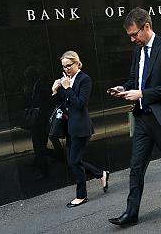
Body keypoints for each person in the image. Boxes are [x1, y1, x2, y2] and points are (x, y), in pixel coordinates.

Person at [107, 7, 161, 226]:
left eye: (134, 34)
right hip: (142, 118)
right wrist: (123, 88)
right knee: (136, 166)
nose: (132, 39)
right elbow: (134, 80)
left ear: (146, 26)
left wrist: (142, 93)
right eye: (129, 35)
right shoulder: (137, 51)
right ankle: (131, 213)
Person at [52, 50, 110, 207]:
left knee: (74, 161)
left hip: (81, 127)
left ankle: (82, 196)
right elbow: (65, 103)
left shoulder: (85, 79)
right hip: (70, 127)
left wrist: (67, 88)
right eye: (64, 67)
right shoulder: (67, 79)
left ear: (77, 63)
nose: (66, 69)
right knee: (73, 161)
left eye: (69, 65)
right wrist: (56, 90)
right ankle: (100, 174)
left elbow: (80, 103)